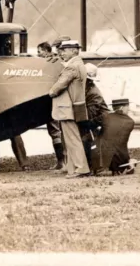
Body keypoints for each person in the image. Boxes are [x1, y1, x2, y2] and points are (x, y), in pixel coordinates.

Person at [48, 40, 90, 178]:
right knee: (70, 138)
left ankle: (81, 168)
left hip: (67, 108)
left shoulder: (71, 67)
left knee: (72, 139)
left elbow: (59, 86)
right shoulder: (79, 64)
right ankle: (73, 168)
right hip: (74, 107)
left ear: (73, 51)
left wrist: (51, 92)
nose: (62, 53)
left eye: (64, 50)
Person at [37, 41, 65, 170]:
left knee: (55, 131)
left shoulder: (52, 62)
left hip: (52, 102)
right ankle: (62, 161)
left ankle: (61, 162)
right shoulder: (57, 61)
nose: (38, 55)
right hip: (52, 101)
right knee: (56, 131)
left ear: (47, 51)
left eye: (40, 52)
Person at [92, 98, 137, 175]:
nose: (129, 109)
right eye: (127, 106)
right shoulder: (131, 122)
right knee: (120, 146)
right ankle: (127, 165)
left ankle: (96, 166)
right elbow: (121, 141)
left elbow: (89, 124)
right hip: (119, 158)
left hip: (100, 157)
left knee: (94, 139)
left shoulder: (105, 117)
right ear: (122, 107)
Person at [81, 63, 110, 168]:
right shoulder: (87, 89)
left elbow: (90, 114)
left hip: (99, 120)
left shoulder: (93, 93)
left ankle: (91, 166)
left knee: (87, 140)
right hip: (96, 119)